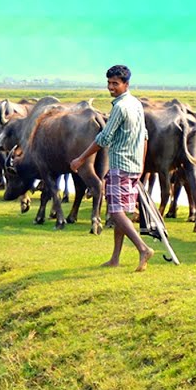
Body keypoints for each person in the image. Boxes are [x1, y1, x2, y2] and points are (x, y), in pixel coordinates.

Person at [71, 64, 154, 271]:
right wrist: (142, 164)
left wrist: (81, 158)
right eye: (109, 83)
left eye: (115, 83)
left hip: (120, 164)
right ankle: (115, 258)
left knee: (115, 212)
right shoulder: (136, 104)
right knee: (121, 212)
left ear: (126, 84)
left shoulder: (120, 107)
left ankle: (143, 249)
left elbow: (105, 137)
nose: (111, 87)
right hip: (134, 165)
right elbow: (144, 136)